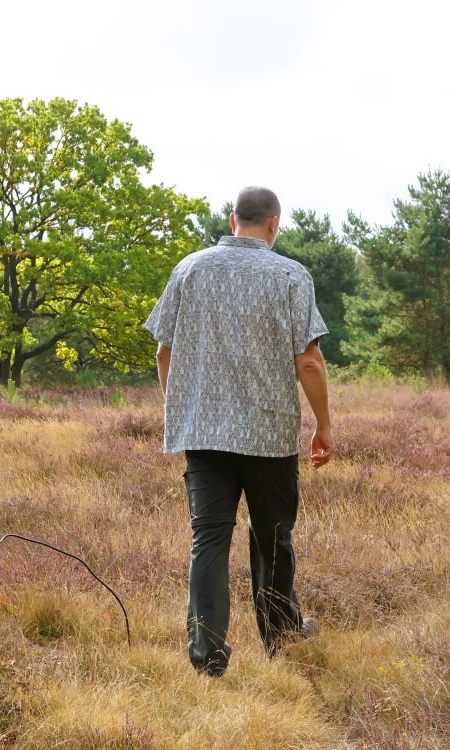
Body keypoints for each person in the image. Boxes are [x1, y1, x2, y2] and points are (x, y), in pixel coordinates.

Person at [144, 186, 334, 677]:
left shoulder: (190, 268)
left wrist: (179, 407)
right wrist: (323, 426)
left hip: (203, 434)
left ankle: (207, 652)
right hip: (269, 435)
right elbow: (309, 362)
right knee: (273, 538)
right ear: (274, 224)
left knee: (208, 539)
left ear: (233, 220)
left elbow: (164, 351)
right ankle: (281, 638)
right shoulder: (292, 275)